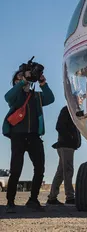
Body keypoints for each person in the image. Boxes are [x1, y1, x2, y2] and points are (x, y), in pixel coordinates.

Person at [2, 69, 55, 213]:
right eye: (19, 78)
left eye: (24, 78)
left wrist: (43, 83)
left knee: (40, 168)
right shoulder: (15, 96)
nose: (23, 80)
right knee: (16, 170)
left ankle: (33, 200)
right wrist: (22, 82)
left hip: (34, 136)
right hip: (17, 136)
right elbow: (7, 96)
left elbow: (50, 98)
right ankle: (10, 202)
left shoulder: (36, 96)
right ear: (15, 83)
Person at [46, 104, 81, 206]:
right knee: (68, 171)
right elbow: (59, 126)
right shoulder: (68, 110)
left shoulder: (72, 110)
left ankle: (52, 198)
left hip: (67, 145)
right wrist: (70, 138)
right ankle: (70, 197)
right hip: (66, 146)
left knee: (61, 172)